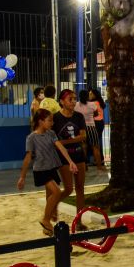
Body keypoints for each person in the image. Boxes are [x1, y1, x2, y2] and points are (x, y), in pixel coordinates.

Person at [17, 109, 78, 236]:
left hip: (51, 168)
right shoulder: (31, 138)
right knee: (56, 192)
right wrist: (22, 177)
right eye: (49, 120)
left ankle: (47, 227)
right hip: (41, 170)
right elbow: (28, 158)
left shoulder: (51, 133)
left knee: (51, 196)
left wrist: (70, 161)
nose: (52, 122)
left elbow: (60, 147)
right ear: (40, 121)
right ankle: (45, 219)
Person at [53, 89, 88, 230]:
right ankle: (54, 203)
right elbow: (54, 140)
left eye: (75, 99)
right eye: (70, 99)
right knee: (68, 188)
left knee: (80, 188)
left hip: (78, 155)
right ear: (62, 101)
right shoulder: (55, 118)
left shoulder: (79, 116)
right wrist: (71, 140)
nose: (73, 102)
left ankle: (79, 221)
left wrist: (65, 142)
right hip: (63, 158)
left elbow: (83, 136)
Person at [76, 90, 105, 171]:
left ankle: (85, 166)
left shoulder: (76, 105)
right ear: (87, 96)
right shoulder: (92, 104)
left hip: (81, 128)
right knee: (95, 147)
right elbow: (95, 114)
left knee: (83, 147)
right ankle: (99, 166)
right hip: (91, 127)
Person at [89, 88, 106, 167]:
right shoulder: (100, 102)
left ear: (95, 95)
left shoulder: (93, 103)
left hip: (95, 123)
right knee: (98, 141)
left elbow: (92, 114)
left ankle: (96, 160)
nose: (89, 95)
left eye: (91, 94)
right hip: (101, 122)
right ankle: (101, 159)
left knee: (94, 142)